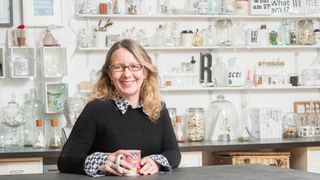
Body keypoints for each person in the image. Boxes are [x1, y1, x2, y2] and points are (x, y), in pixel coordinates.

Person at [58, 39, 181, 177]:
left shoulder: (158, 109)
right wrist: (103, 161)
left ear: (145, 72)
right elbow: (66, 160)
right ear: (110, 74)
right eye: (118, 67)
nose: (127, 74)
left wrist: (156, 162)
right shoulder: (95, 110)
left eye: (134, 66)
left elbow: (173, 152)